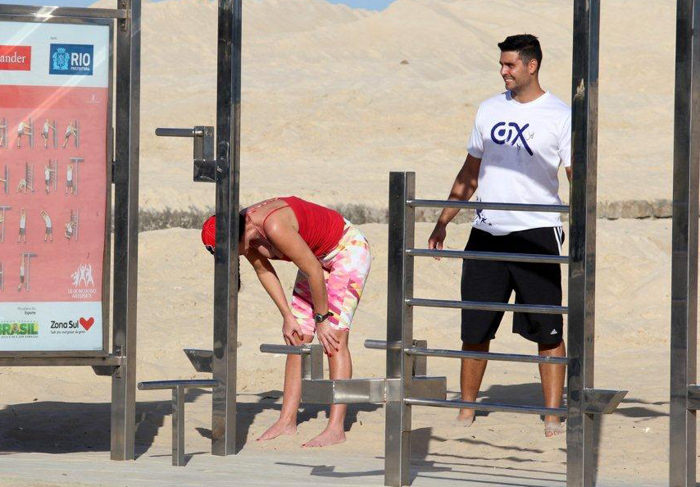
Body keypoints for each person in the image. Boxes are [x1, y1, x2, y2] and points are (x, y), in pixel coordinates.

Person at [428, 34, 571, 437]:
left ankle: (552, 415)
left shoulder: (560, 114)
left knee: (548, 329)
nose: (503, 71)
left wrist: (581, 231)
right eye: (501, 65)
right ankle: (467, 409)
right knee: (474, 327)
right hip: (486, 233)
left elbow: (577, 176)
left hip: (537, 235)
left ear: (532, 65)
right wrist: (444, 219)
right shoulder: (489, 109)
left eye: (510, 64)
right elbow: (470, 171)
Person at [201, 196, 371, 447]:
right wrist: (287, 317)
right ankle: (287, 420)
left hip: (346, 250)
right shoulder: (243, 232)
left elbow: (312, 269)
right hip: (315, 258)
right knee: (297, 337)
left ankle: (336, 427)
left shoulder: (273, 226)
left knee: (333, 337)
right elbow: (263, 271)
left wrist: (322, 319)